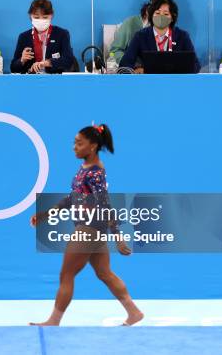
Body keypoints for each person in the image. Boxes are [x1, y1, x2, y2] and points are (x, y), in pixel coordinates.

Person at [30, 124, 143, 326]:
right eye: (74, 142)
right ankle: (134, 312)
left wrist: (117, 235)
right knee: (104, 273)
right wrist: (47, 214)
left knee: (66, 274)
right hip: (93, 228)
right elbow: (73, 198)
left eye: (79, 143)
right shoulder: (85, 170)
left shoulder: (96, 173)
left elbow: (105, 203)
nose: (74, 146)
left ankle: (54, 321)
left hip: (89, 229)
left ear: (92, 146)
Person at [120, 0, 200, 73]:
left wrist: (179, 70)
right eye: (157, 13)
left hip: (175, 82)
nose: (161, 17)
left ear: (172, 17)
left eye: (166, 14)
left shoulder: (182, 36)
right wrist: (137, 69)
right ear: (151, 16)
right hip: (148, 82)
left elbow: (196, 65)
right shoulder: (140, 36)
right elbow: (124, 64)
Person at [110, 0, 172, 64]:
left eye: (165, 12)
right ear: (149, 8)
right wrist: (133, 66)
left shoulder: (169, 28)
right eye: (158, 10)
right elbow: (115, 51)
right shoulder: (130, 23)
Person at [11, 0, 75, 74]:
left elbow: (69, 61)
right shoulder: (24, 37)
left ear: (51, 15)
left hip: (55, 80)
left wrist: (47, 63)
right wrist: (22, 60)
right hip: (30, 81)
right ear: (30, 16)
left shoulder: (61, 34)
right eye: (36, 17)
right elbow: (13, 68)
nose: (41, 21)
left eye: (45, 17)